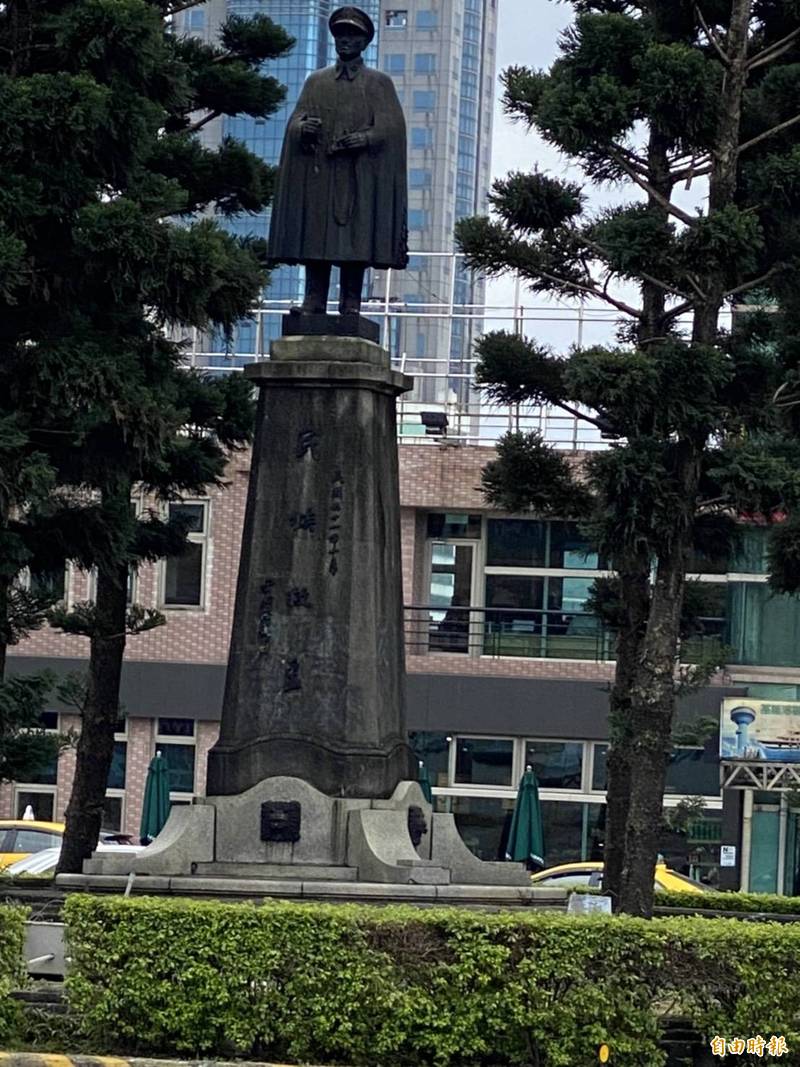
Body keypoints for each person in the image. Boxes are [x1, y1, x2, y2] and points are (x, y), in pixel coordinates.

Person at [267, 6, 408, 317]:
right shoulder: (316, 82)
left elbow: (392, 127)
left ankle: (350, 303)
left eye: (352, 35)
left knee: (353, 243)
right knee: (317, 240)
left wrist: (365, 138)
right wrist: (302, 129)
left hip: (358, 176)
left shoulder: (377, 83)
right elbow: (296, 120)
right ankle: (313, 300)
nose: (345, 41)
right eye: (341, 35)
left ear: (364, 42)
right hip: (321, 174)